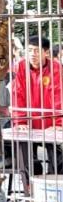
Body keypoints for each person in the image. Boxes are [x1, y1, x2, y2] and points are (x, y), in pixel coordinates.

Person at [10, 36, 63, 175]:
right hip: (28, 122)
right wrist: (20, 121)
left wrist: (59, 123)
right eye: (29, 50)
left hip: (50, 122)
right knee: (24, 154)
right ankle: (31, 182)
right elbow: (17, 94)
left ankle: (55, 181)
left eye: (37, 51)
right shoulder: (21, 66)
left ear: (46, 53)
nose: (32, 54)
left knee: (58, 158)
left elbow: (58, 96)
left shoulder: (55, 67)